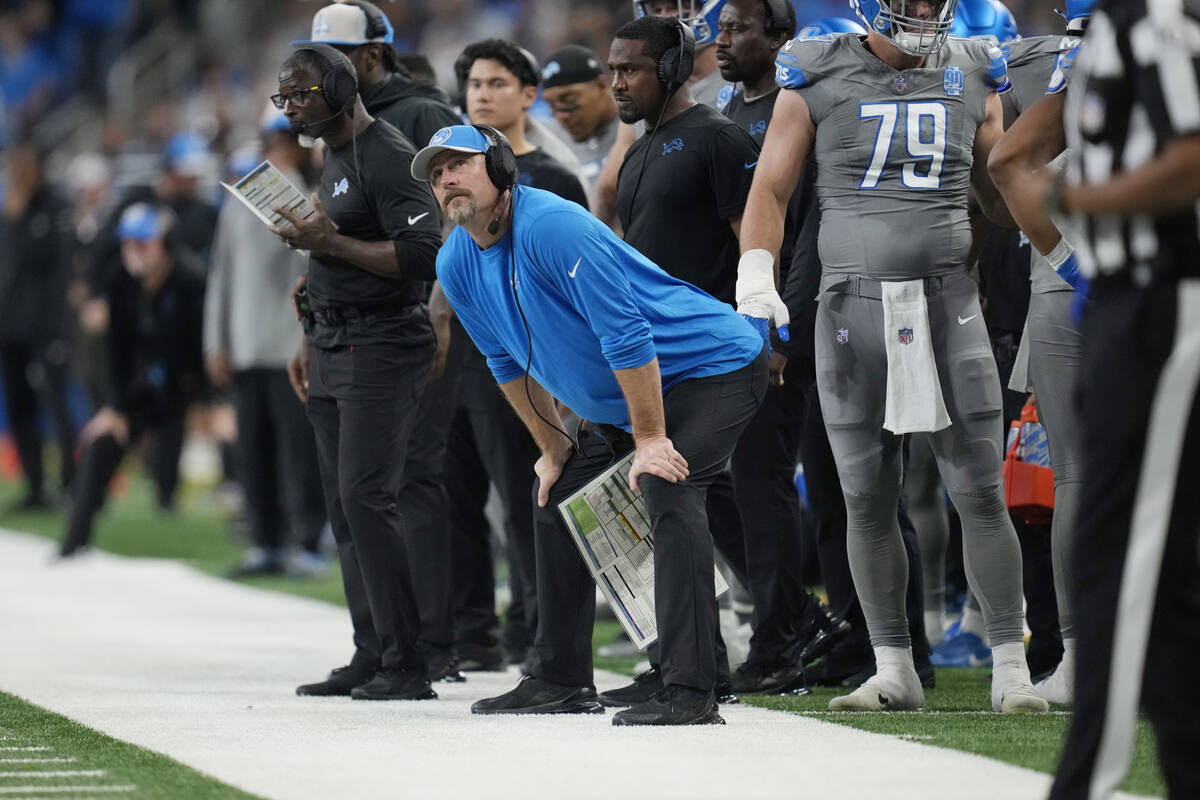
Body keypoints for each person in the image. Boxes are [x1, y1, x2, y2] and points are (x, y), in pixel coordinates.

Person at [739, 0, 1046, 712]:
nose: (919, 9)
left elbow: (998, 190)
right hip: (851, 307)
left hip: (947, 303)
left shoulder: (976, 68)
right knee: (866, 499)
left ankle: (1010, 668)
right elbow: (771, 187)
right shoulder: (814, 69)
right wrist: (755, 280)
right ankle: (894, 667)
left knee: (977, 488)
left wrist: (1054, 212)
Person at [413, 123, 767, 725]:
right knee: (558, 495)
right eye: (435, 172)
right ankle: (559, 677)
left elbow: (626, 334)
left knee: (666, 484)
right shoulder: (454, 260)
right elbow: (505, 360)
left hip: (712, 364)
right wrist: (553, 447)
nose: (446, 178)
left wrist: (651, 440)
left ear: (499, 167)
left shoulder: (554, 225)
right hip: (634, 396)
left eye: (460, 165)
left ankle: (691, 689)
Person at [1028, 1, 1200, 795]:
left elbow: (1193, 155)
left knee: (1121, 552)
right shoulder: (1103, 34)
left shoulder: (1157, 30)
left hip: (1165, 306)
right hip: (1118, 306)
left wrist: (1089, 202)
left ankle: (1088, 777)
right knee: (1151, 564)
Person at [272, 44, 443, 701]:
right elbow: (338, 245)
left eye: (302, 94)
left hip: (383, 343)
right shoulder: (334, 155)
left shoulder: (388, 153)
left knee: (369, 499)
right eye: (283, 96)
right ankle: (371, 651)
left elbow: (423, 253)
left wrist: (331, 245)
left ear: (343, 89)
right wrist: (311, 315)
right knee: (347, 508)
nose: (290, 107)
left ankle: (408, 663)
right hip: (334, 339)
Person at [450, 39, 591, 670]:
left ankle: (541, 641)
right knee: (467, 498)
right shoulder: (449, 171)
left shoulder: (555, 180)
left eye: (496, 83)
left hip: (536, 362)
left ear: (526, 96)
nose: (481, 93)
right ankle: (486, 630)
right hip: (472, 357)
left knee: (530, 494)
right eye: (474, 83)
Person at [985, 0, 1093, 704]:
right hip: (1154, 272)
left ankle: (1087, 658)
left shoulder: (1057, 55)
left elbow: (1003, 162)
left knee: (1083, 476)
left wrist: (1065, 261)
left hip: (1076, 277)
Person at [203, 111, 327, 579]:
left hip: (288, 344)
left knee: (299, 452)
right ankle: (267, 541)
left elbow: (313, 255)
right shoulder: (239, 199)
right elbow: (222, 273)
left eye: (281, 142)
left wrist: (288, 189)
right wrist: (216, 341)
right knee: (254, 453)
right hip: (245, 345)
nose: (275, 150)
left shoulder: (305, 196)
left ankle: (309, 541)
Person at [58, 203, 205, 558]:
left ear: (165, 244)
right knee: (101, 440)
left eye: (143, 243)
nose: (133, 252)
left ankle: (275, 538)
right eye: (128, 244)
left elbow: (202, 347)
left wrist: (211, 402)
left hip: (188, 384)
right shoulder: (118, 280)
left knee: (241, 435)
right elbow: (116, 352)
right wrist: (116, 408)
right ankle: (73, 544)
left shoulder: (190, 281)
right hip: (140, 389)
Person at [0, 140, 77, 510]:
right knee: (20, 406)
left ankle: (71, 485)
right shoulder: (9, 210)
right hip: (10, 326)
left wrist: (60, 325)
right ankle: (34, 487)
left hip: (47, 326)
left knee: (56, 404)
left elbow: (58, 269)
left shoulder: (56, 205)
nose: (19, 172)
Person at [294, 0, 459, 151]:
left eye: (335, 54)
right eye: (320, 56)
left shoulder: (423, 113)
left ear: (372, 55)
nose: (324, 66)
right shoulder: (337, 133)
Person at [540, 45, 621, 195]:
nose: (561, 116)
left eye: (568, 99)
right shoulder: (550, 139)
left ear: (600, 84)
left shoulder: (637, 126)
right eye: (552, 105)